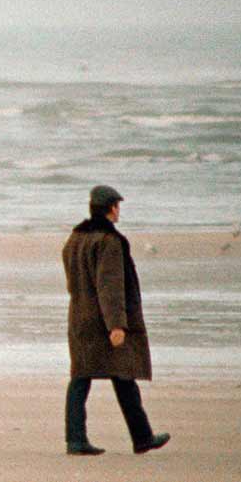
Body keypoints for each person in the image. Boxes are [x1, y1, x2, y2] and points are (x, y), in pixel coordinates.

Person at [61, 185, 170, 455]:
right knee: (120, 374)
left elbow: (75, 280)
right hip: (103, 322)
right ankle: (139, 437)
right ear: (111, 208)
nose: (119, 211)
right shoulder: (108, 242)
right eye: (117, 206)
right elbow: (110, 286)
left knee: (84, 377)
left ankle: (83, 439)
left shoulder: (74, 239)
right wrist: (117, 325)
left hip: (79, 317)